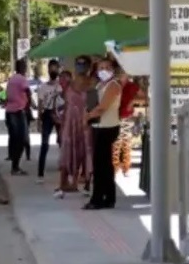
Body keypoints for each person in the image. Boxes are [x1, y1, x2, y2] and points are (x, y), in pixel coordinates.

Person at [82, 57, 123, 210]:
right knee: (103, 164)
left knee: (101, 165)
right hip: (99, 126)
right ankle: (108, 197)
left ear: (112, 69)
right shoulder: (100, 85)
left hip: (108, 127)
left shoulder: (113, 85)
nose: (103, 70)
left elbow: (102, 107)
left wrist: (87, 117)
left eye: (107, 67)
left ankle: (98, 199)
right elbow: (93, 103)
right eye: (100, 68)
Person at [57, 60, 90, 197]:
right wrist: (62, 122)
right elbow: (65, 105)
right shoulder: (69, 84)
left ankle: (76, 182)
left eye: (83, 64)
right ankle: (63, 183)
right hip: (69, 121)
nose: (80, 67)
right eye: (78, 64)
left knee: (82, 151)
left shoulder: (92, 83)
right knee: (67, 151)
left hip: (83, 122)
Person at [35, 59, 63, 183]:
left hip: (60, 114)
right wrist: (39, 119)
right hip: (47, 114)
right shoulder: (43, 87)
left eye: (55, 68)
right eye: (51, 68)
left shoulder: (62, 86)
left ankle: (64, 168)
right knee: (44, 144)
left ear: (58, 69)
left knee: (63, 142)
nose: (53, 70)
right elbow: (40, 104)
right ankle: (40, 173)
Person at [4, 59, 33, 175]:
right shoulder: (22, 79)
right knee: (22, 139)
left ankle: (14, 163)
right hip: (18, 112)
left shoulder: (11, 79)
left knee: (14, 138)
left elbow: (8, 95)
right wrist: (28, 107)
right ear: (23, 68)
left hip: (9, 112)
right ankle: (15, 166)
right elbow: (28, 92)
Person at [113, 67, 141, 177]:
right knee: (116, 144)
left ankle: (126, 167)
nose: (120, 75)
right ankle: (115, 168)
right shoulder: (114, 85)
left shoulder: (132, 86)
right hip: (115, 116)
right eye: (118, 73)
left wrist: (133, 102)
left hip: (127, 117)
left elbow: (144, 97)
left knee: (126, 143)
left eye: (122, 73)